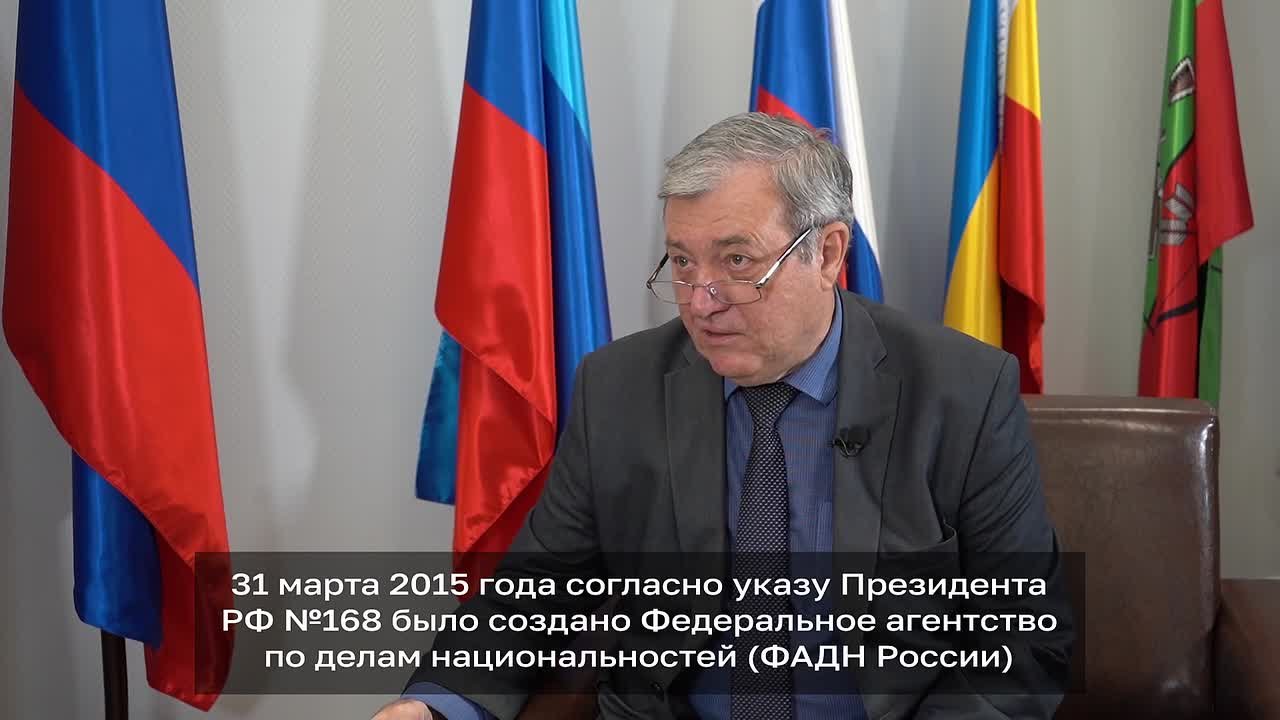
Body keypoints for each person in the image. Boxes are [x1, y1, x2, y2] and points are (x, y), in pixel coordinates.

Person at [373, 112, 1072, 720]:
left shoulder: (960, 392)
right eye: (682, 262)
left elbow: (1023, 638)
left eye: (737, 261)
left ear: (828, 253)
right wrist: (433, 705)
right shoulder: (618, 390)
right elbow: (533, 597)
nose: (701, 300)